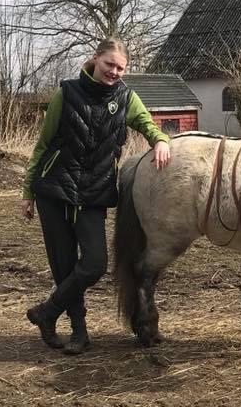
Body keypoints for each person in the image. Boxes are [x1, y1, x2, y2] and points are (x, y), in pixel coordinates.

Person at [21, 37, 170, 354]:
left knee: (94, 263)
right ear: (95, 59)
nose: (114, 72)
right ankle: (79, 332)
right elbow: (42, 146)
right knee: (63, 267)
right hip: (53, 189)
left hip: (93, 192)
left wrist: (160, 140)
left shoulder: (125, 98)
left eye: (120, 68)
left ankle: (47, 312)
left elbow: (147, 123)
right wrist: (27, 192)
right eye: (109, 64)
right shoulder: (66, 93)